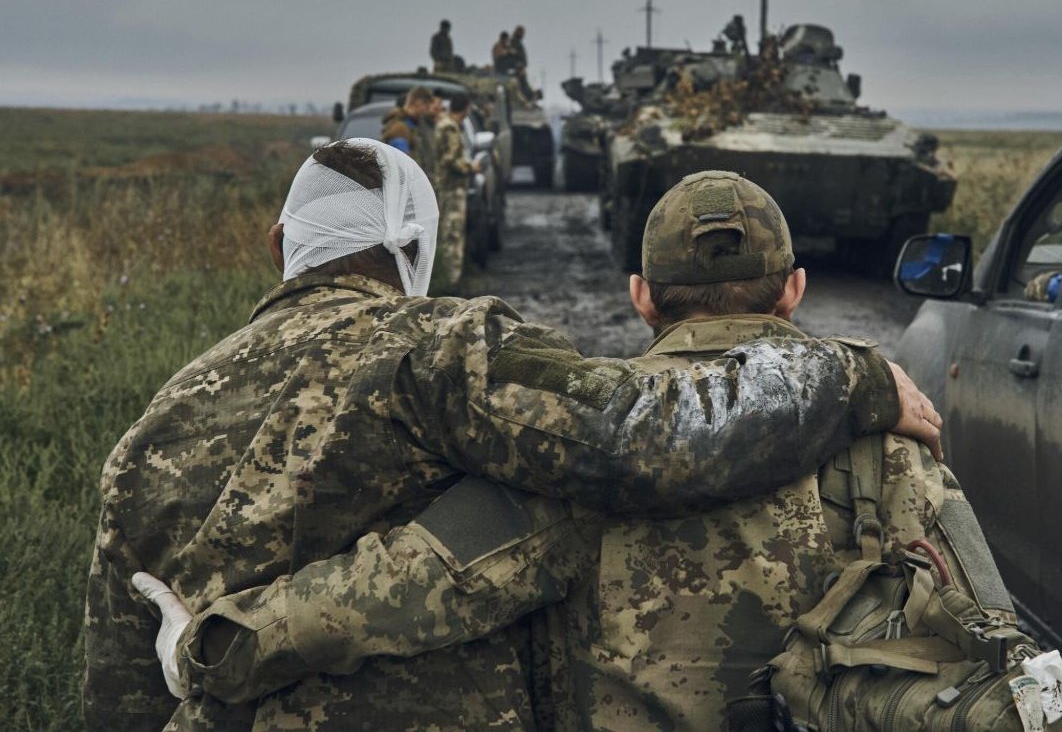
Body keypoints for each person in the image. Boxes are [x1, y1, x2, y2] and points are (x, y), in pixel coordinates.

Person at [83, 145, 940, 732]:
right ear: (794, 288)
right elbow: (629, 435)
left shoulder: (142, 441)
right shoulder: (445, 351)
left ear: (643, 296)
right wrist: (850, 375)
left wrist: (219, 646)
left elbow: (118, 695)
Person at [429, 92, 475, 290]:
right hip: (451, 187)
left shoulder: (443, 124)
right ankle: (451, 282)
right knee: (452, 234)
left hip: (444, 186)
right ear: (465, 108)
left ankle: (446, 278)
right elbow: (450, 159)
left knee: (446, 233)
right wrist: (470, 167)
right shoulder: (450, 127)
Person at [379, 85, 439, 178]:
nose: (427, 111)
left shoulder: (413, 126)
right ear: (418, 103)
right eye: (426, 106)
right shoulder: (400, 129)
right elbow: (403, 167)